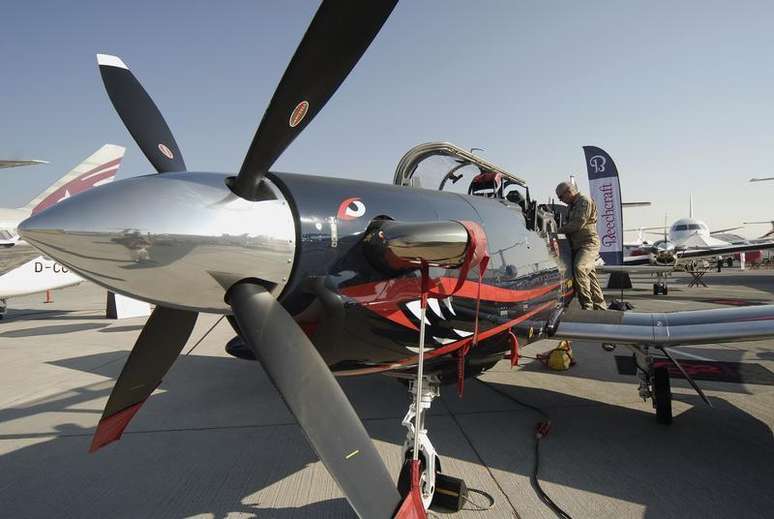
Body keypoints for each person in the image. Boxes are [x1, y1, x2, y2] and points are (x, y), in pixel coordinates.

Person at [555, 181, 606, 310]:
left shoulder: (584, 201)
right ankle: (600, 307)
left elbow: (578, 223)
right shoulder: (572, 205)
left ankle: (587, 306)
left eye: (561, 197)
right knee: (590, 276)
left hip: (588, 244)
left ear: (569, 191)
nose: (561, 200)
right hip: (577, 245)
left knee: (580, 268)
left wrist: (557, 231)